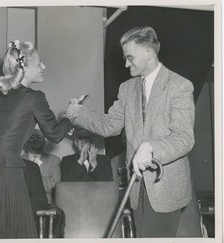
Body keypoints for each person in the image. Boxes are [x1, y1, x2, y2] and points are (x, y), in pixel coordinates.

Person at [67, 26, 195, 238]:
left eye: (130, 57)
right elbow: (109, 125)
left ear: (149, 53)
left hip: (166, 187)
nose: (126, 64)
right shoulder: (127, 88)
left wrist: (151, 147)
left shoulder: (179, 86)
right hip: (136, 188)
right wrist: (77, 113)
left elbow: (184, 138)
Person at [0, 40, 74, 239]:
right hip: (8, 175)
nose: (43, 67)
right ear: (24, 67)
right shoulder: (33, 97)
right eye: (39, 63)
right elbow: (55, 134)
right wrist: (70, 117)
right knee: (9, 232)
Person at [22, 128, 61, 204]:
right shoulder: (19, 160)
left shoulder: (54, 160)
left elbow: (56, 188)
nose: (35, 139)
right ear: (26, 142)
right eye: (32, 137)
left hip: (46, 206)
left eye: (39, 137)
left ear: (44, 142)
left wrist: (34, 177)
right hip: (22, 204)